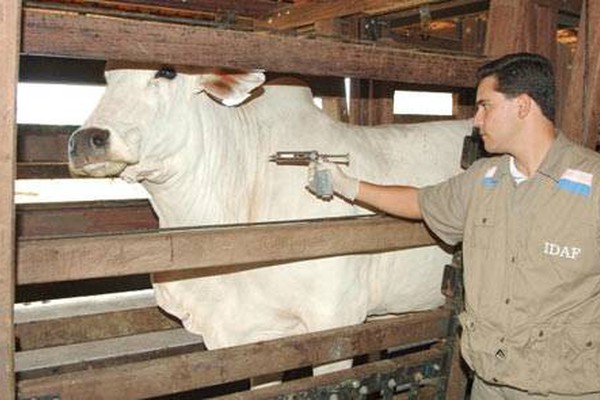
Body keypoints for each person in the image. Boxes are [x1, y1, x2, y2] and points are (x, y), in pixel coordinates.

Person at [307, 53, 600, 399]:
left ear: (522, 106)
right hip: (489, 383)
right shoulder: (483, 179)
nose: (476, 121)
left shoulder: (593, 184)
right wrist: (348, 185)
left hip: (564, 388)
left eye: (485, 106)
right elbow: (420, 202)